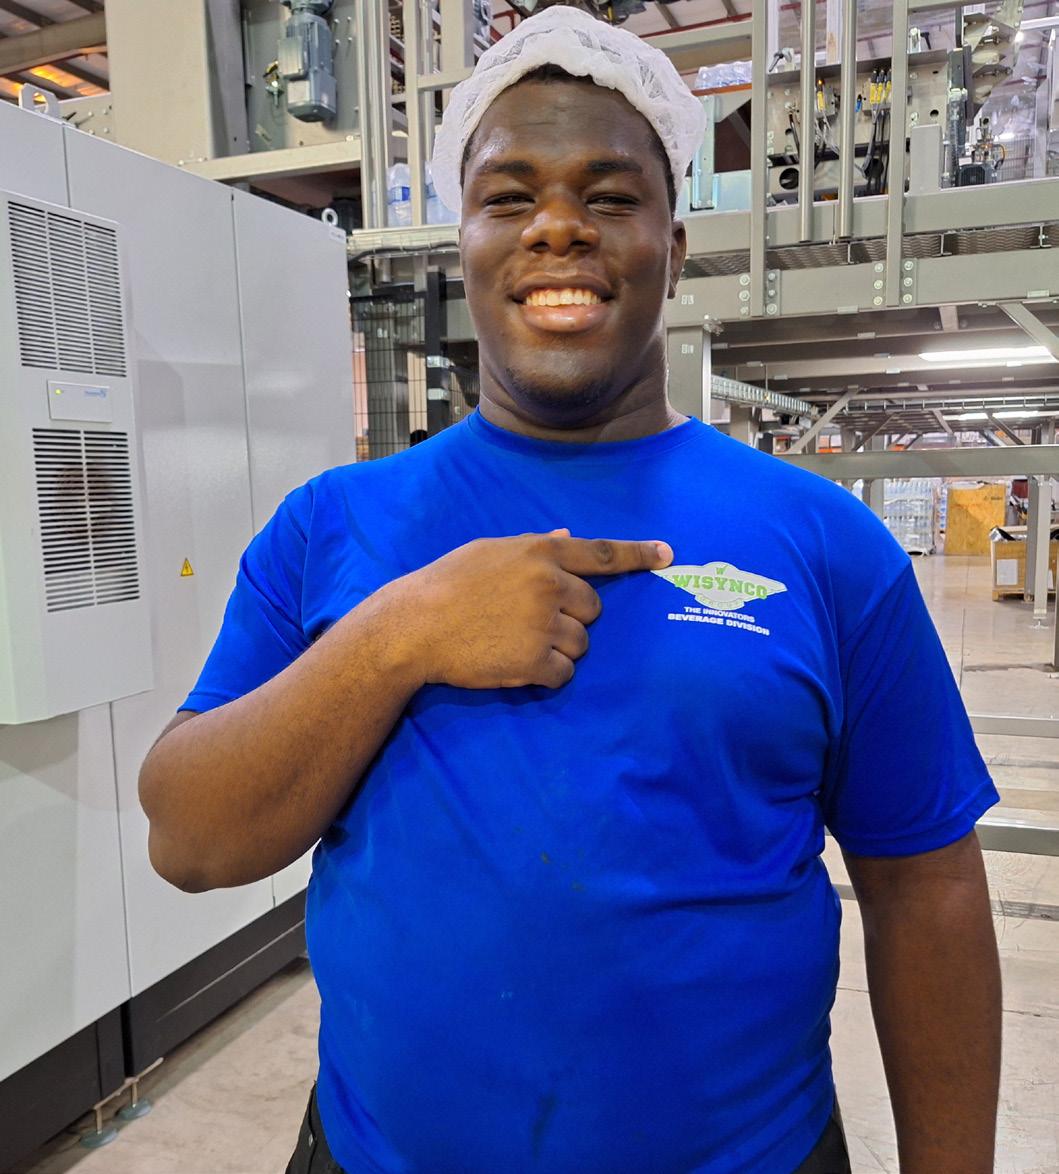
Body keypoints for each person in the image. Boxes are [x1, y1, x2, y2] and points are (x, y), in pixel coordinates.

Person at [138, 8, 1002, 1172]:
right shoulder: (333, 525)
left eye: (608, 195)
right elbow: (190, 837)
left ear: (673, 247)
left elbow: (927, 888)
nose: (558, 227)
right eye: (509, 197)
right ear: (464, 245)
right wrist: (401, 634)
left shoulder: (826, 544)